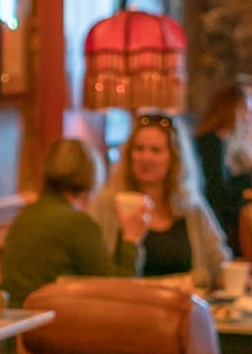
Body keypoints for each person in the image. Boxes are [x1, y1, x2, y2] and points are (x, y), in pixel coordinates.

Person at [87, 112, 230, 290]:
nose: (145, 157)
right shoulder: (107, 202)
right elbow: (95, 271)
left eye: (156, 150)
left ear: (174, 158)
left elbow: (219, 259)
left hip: (186, 309)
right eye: (139, 149)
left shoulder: (191, 205)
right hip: (131, 309)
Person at [0, 138, 141, 307]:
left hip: (15, 323)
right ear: (92, 175)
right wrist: (131, 238)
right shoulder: (77, 223)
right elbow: (116, 293)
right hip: (49, 326)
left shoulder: (24, 216)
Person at [193, 78, 252, 253]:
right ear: (230, 110)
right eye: (245, 110)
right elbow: (217, 194)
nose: (249, 117)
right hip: (218, 227)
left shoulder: (227, 143)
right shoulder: (211, 142)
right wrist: (251, 178)